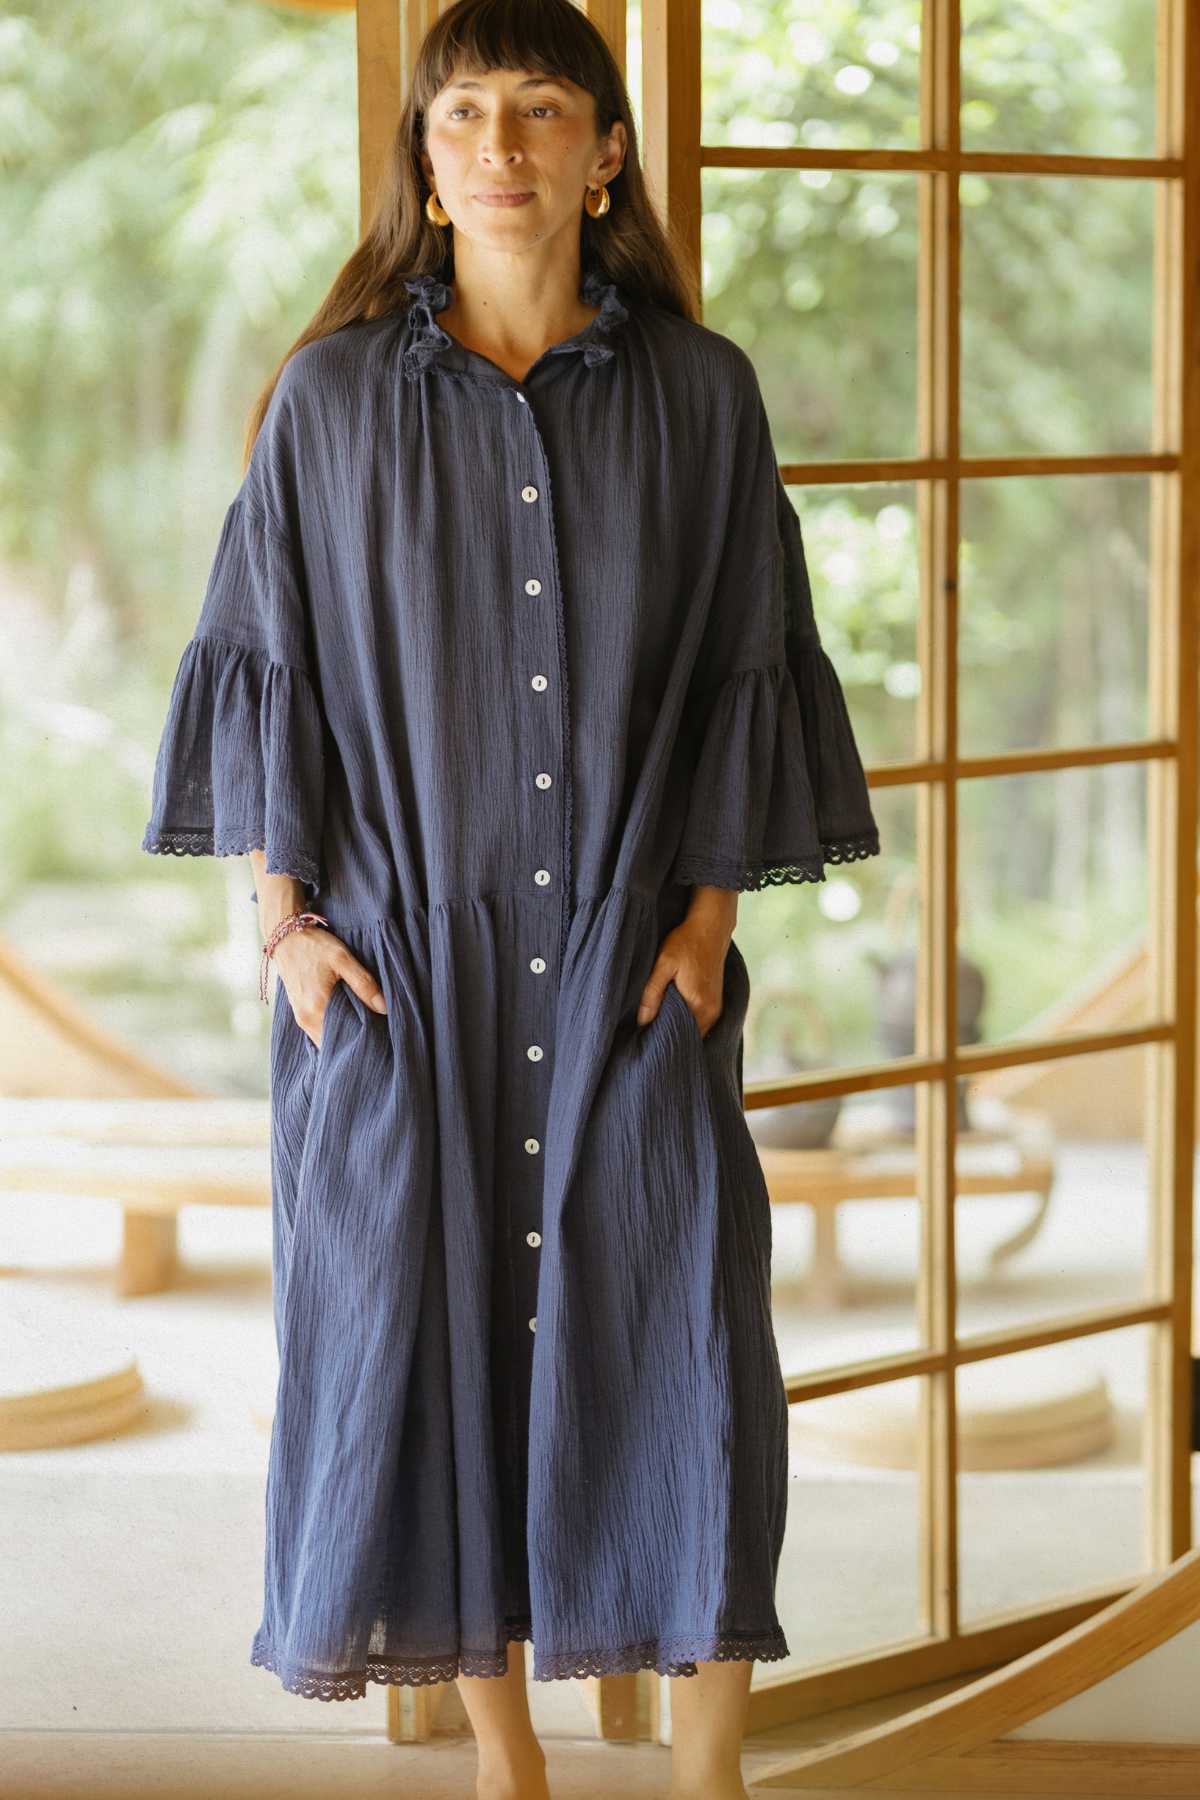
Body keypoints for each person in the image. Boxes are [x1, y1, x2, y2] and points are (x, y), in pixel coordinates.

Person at [140, 1, 880, 1795]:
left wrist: (708, 924)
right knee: (429, 1361)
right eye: (463, 111)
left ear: (605, 150)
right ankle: (508, 1766)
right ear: (425, 154)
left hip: (635, 961)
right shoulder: (325, 405)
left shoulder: (706, 399)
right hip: (404, 976)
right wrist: (286, 929)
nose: (500, 143)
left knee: (688, 1346)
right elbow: (268, 668)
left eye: (541, 109)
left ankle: (705, 1773)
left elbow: (740, 668)